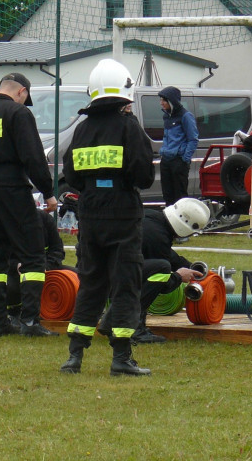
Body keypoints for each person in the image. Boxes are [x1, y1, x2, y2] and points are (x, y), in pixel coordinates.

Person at [61, 59, 156, 376]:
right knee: (125, 284)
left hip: (90, 211)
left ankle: (75, 356)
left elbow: (70, 175)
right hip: (122, 212)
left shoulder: (81, 129)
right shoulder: (128, 127)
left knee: (91, 282)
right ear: (126, 91)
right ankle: (121, 358)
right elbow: (143, 175)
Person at [0, 72, 59, 337]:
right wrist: (48, 191)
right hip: (12, 187)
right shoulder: (18, 114)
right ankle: (30, 321)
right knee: (32, 253)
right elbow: (32, 156)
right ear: (22, 92)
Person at [134, 198, 211, 344]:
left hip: (102, 269)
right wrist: (178, 277)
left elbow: (166, 253)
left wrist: (190, 266)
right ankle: (134, 328)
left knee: (160, 266)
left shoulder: (153, 219)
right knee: (161, 269)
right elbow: (162, 283)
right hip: (112, 277)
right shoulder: (157, 236)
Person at [157, 86, 198, 206]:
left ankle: (181, 222)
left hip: (178, 161)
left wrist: (184, 159)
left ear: (171, 101)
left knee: (180, 196)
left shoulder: (185, 116)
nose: (161, 103)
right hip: (166, 160)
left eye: (163, 100)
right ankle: (169, 221)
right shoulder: (166, 116)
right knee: (167, 194)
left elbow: (193, 139)